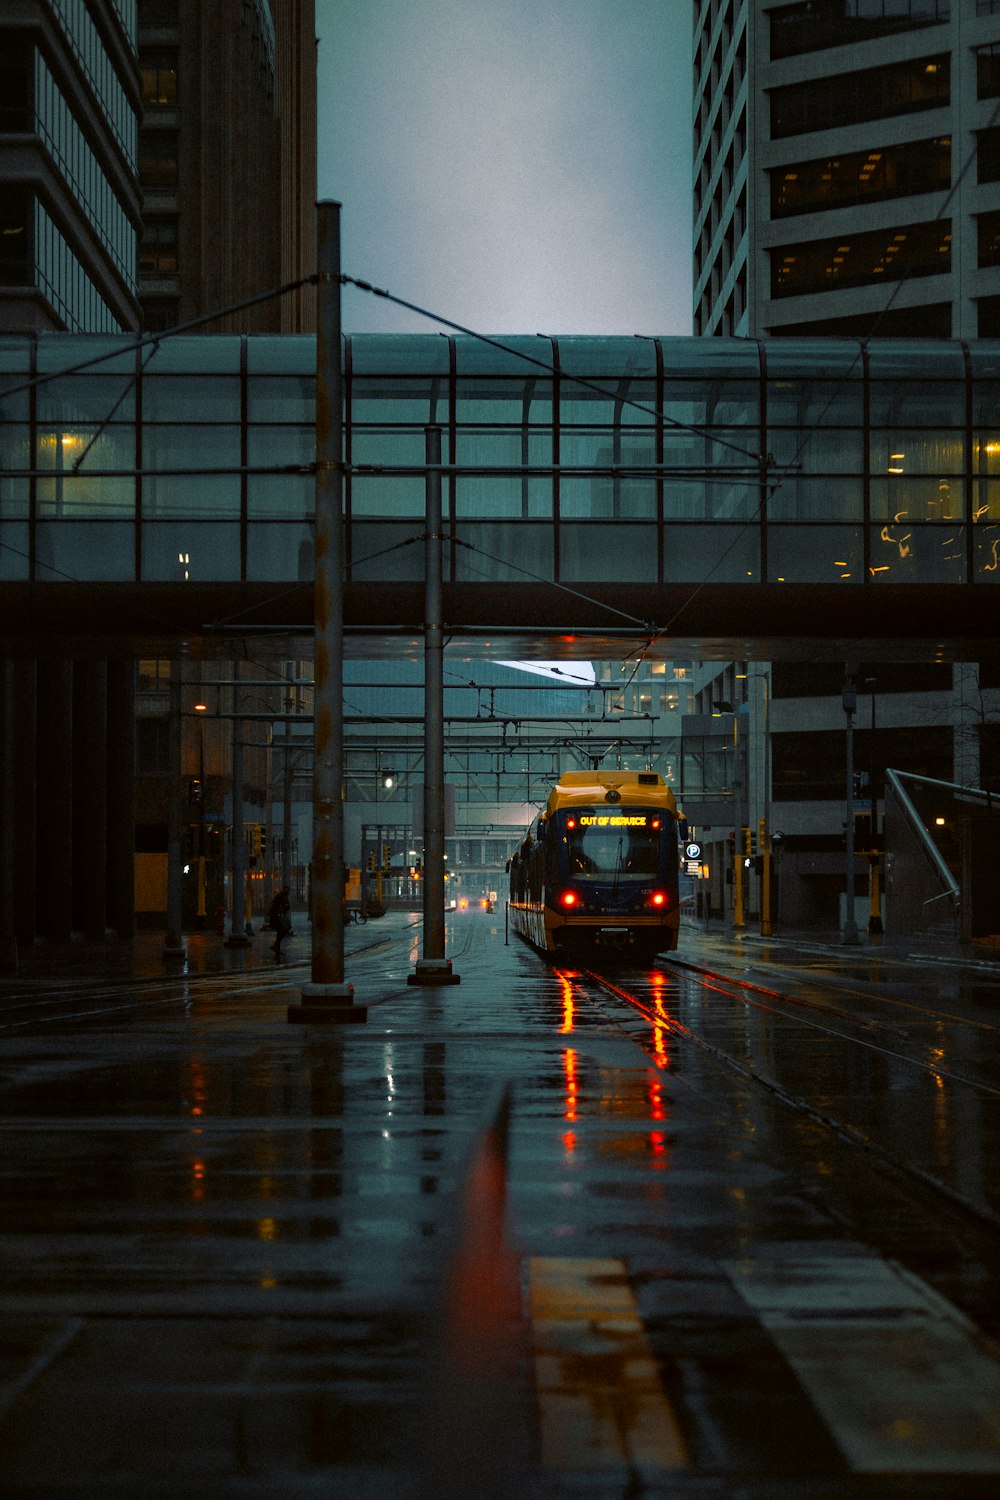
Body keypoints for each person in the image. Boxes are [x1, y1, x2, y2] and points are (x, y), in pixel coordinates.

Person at [268, 885, 292, 956]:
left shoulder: (283, 896)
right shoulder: (279, 897)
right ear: (284, 889)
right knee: (282, 930)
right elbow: (276, 906)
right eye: (287, 890)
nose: (287, 892)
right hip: (277, 917)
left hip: (279, 917)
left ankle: (276, 947)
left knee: (282, 931)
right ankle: (276, 946)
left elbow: (287, 906)